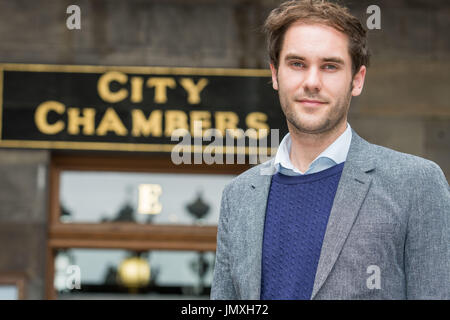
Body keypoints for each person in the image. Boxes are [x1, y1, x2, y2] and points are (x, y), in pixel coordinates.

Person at [211, 0, 450, 300]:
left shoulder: (417, 185)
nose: (312, 82)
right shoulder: (239, 195)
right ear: (275, 74)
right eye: (297, 64)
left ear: (357, 79)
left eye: (330, 66)